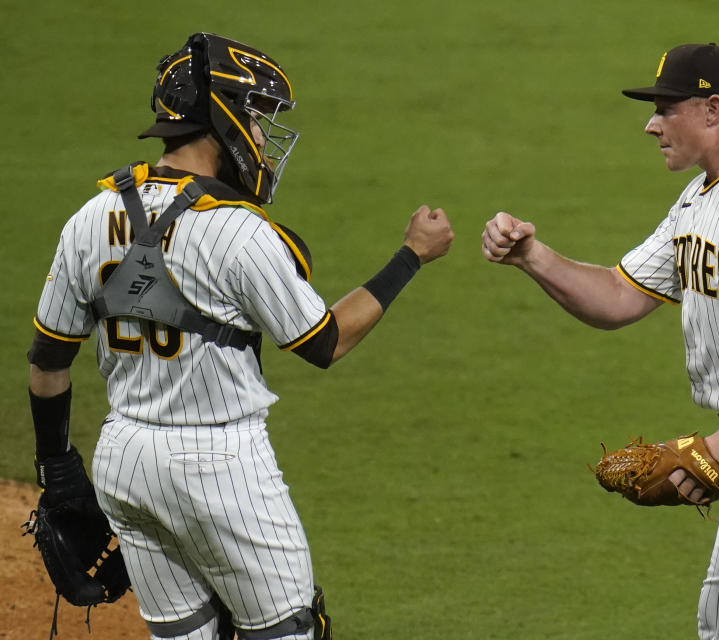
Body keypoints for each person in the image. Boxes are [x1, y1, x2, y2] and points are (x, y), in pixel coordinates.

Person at [28, 32, 453, 639]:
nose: (259, 136)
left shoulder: (90, 217)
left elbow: (48, 361)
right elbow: (324, 342)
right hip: (221, 469)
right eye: (255, 118)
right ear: (221, 116)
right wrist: (410, 255)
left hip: (124, 458)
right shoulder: (238, 232)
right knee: (290, 630)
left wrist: (55, 466)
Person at [482, 43, 719, 639]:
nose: (651, 124)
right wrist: (533, 256)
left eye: (666, 108)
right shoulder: (703, 196)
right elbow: (618, 295)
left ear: (712, 109)